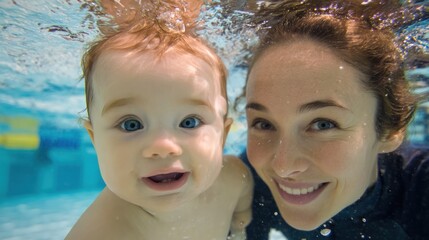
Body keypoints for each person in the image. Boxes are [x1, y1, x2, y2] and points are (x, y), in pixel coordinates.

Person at [239, 0, 429, 239]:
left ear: (390, 129)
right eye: (263, 124)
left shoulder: (420, 187)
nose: (283, 166)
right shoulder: (245, 184)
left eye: (323, 124)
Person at [65, 0, 253, 239]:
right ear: (95, 140)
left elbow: (244, 200)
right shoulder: (98, 233)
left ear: (222, 136)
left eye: (190, 122)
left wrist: (239, 226)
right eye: (130, 124)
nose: (162, 147)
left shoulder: (234, 178)